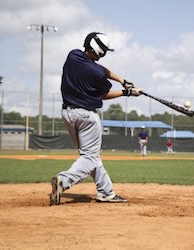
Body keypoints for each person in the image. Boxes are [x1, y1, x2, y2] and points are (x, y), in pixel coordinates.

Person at [50, 32, 142, 205]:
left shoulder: (73, 55)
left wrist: (123, 80)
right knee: (90, 157)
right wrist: (126, 92)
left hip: (67, 115)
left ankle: (106, 192)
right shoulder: (97, 73)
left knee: (90, 156)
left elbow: (103, 71)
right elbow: (104, 94)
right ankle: (63, 180)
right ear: (100, 51)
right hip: (86, 117)